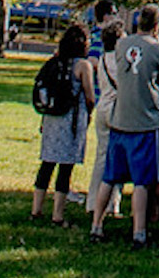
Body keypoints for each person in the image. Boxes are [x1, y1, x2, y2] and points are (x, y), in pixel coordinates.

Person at [90, 4, 159, 250]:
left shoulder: (122, 44)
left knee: (110, 177)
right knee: (141, 181)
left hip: (120, 118)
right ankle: (139, 232)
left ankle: (96, 225)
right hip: (144, 121)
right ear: (156, 25)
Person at [32, 24, 96, 227]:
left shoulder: (55, 62)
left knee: (47, 164)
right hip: (72, 119)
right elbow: (90, 97)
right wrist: (89, 113)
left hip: (52, 117)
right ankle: (57, 214)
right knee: (65, 167)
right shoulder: (83, 66)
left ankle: (36, 209)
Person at [87, 20, 126, 219]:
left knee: (101, 156)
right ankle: (112, 203)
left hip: (102, 106)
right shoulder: (120, 62)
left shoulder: (102, 59)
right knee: (117, 157)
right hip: (117, 108)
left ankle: (93, 200)